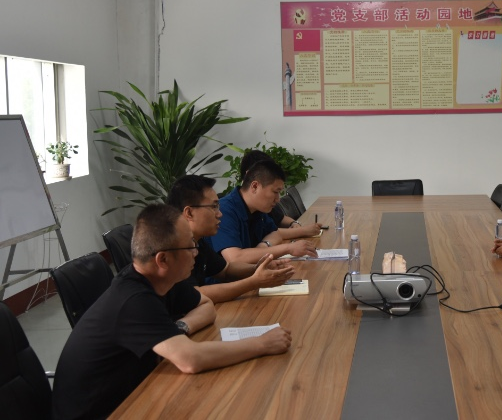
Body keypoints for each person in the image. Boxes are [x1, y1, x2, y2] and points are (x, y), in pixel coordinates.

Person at [52, 205, 292, 419]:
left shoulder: (162, 278)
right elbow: (191, 360)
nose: (197, 252)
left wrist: (179, 329)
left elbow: (206, 305)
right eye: (191, 246)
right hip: (108, 411)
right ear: (163, 259)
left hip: (138, 391)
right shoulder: (133, 300)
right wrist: (262, 344)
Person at [167, 174, 295, 302]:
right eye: (213, 207)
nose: (219, 214)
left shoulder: (198, 241)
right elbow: (196, 295)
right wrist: (254, 282)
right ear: (189, 213)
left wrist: (258, 268)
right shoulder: (172, 248)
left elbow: (226, 270)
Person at [209, 158, 317, 264]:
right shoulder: (224, 210)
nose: (278, 199)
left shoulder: (257, 208)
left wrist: (262, 247)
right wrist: (288, 248)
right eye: (275, 192)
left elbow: (275, 234)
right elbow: (235, 258)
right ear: (255, 186)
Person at [239, 150, 321, 237]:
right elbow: (271, 234)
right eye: (275, 192)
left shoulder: (261, 206)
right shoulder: (238, 208)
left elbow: (275, 226)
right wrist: (301, 231)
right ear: (250, 175)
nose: (278, 199)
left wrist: (294, 223)